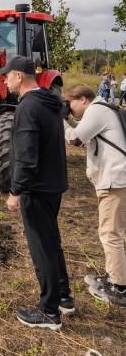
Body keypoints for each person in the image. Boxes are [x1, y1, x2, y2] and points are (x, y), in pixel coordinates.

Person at [0, 56, 72, 331]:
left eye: (7, 75)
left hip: (36, 187)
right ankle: (63, 296)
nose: (5, 80)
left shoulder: (28, 108)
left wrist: (16, 190)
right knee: (52, 242)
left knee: (41, 247)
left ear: (19, 76)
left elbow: (27, 156)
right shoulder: (49, 102)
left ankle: (49, 312)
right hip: (53, 185)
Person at [63, 84, 126, 307]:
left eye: (69, 104)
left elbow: (75, 140)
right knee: (113, 232)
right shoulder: (100, 109)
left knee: (111, 234)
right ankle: (113, 277)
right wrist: (68, 119)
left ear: (82, 99)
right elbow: (81, 130)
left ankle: (118, 288)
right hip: (116, 180)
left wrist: (60, 120)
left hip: (115, 180)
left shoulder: (97, 111)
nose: (69, 110)